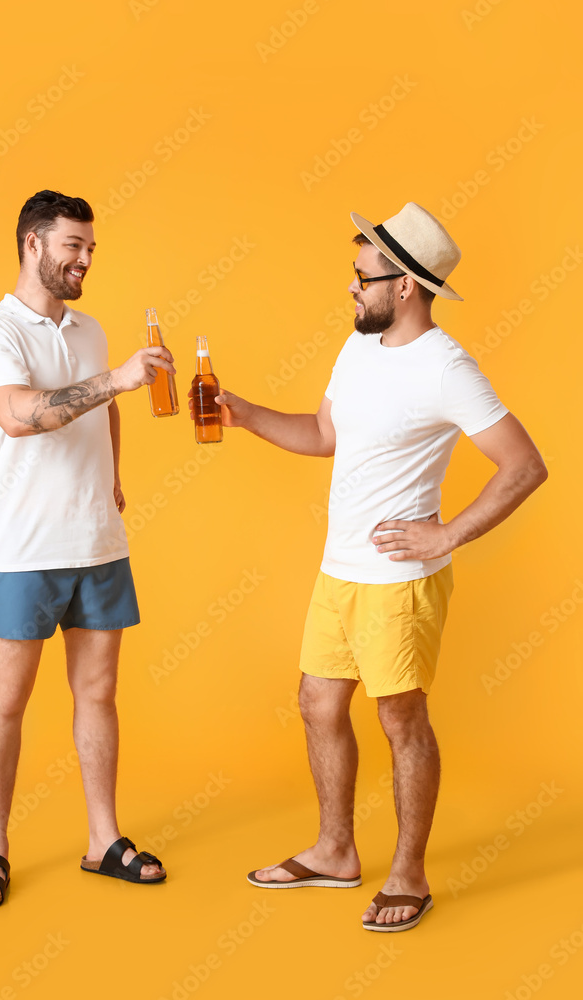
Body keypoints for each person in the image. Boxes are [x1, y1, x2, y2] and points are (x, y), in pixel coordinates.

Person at [214, 203, 548, 931]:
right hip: (339, 572)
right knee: (317, 703)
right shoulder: (358, 347)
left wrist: (446, 535)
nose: (350, 288)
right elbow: (323, 433)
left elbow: (524, 465)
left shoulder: (447, 367)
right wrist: (245, 414)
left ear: (403, 286)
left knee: (400, 718)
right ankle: (335, 851)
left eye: (361, 276)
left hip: (398, 583)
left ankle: (409, 874)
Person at [0, 190, 176, 907]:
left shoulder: (89, 330)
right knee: (7, 701)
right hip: (22, 545)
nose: (84, 259)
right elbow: (21, 417)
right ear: (32, 244)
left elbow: (103, 410)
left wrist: (112, 477)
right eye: (72, 247)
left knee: (98, 694)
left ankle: (102, 839)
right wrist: (115, 380)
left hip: (97, 541)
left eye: (90, 248)